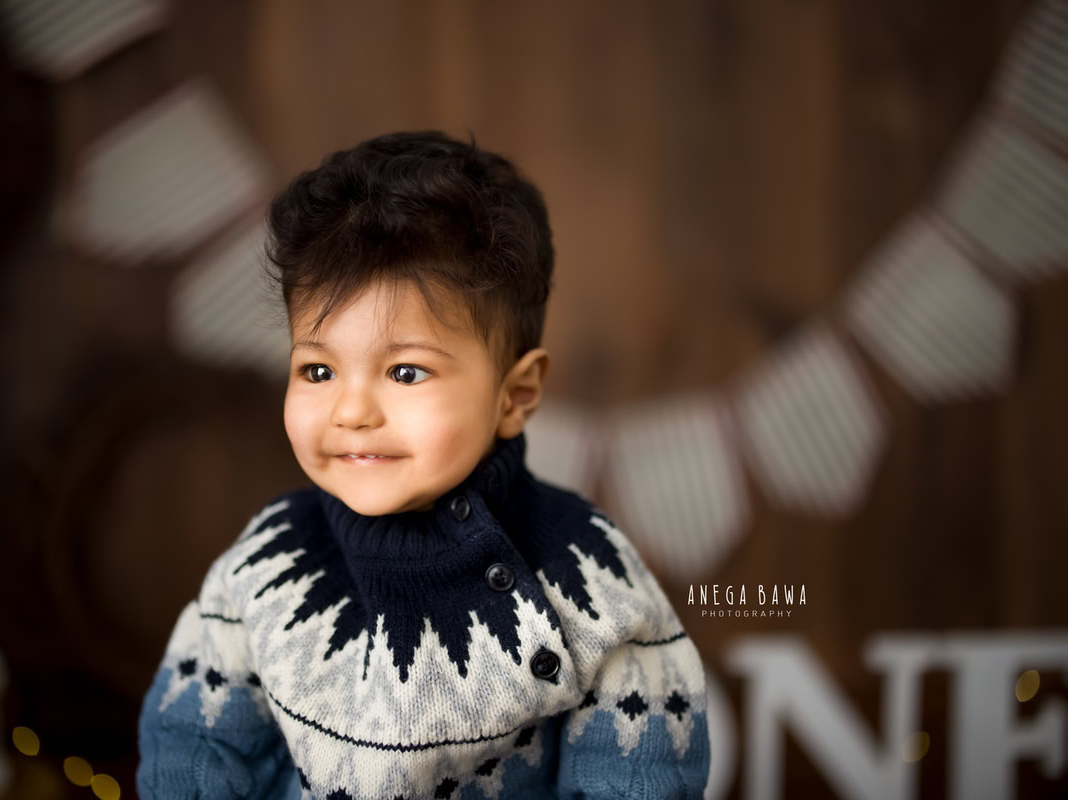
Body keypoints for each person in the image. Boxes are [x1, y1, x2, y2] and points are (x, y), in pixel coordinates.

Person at [136, 131, 710, 799]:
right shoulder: (272, 559)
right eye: (318, 370)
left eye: (405, 372)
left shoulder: (585, 570)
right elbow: (195, 748)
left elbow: (639, 775)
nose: (351, 410)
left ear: (514, 395)